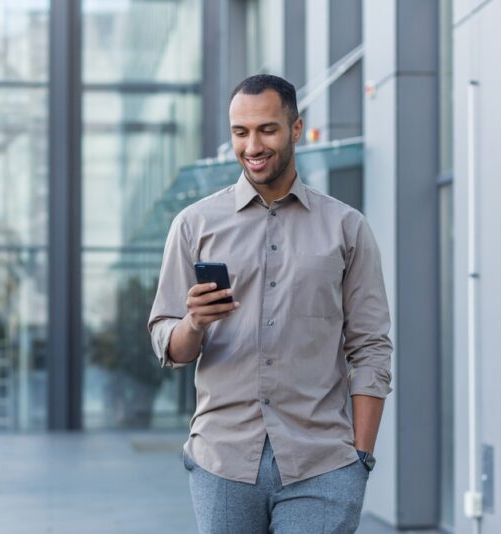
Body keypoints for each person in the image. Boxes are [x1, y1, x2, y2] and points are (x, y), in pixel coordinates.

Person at [148, 74, 392, 533]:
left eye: (267, 130)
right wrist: (194, 322)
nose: (253, 146)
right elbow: (169, 345)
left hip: (323, 464)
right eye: (240, 132)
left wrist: (361, 456)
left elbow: (371, 347)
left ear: (296, 129)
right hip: (223, 462)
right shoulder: (194, 225)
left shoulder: (346, 227)